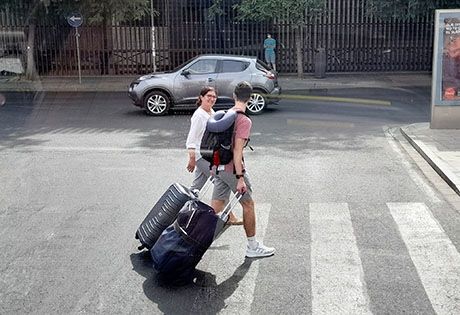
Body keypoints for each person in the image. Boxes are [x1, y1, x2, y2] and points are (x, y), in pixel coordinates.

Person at [211, 82, 275, 258]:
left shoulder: (227, 114)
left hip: (218, 167)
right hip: (232, 169)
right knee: (248, 204)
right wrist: (240, 177)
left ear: (234, 96)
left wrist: (214, 167)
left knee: (215, 207)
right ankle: (252, 247)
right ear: (250, 97)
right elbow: (237, 151)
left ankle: (196, 239)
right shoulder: (243, 120)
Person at [185, 86, 243, 225]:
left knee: (196, 188)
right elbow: (191, 139)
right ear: (201, 97)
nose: (211, 99)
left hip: (208, 154)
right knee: (222, 181)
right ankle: (229, 216)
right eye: (208, 96)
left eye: (214, 97)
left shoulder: (211, 111)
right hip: (202, 156)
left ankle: (182, 210)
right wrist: (192, 159)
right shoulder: (199, 115)